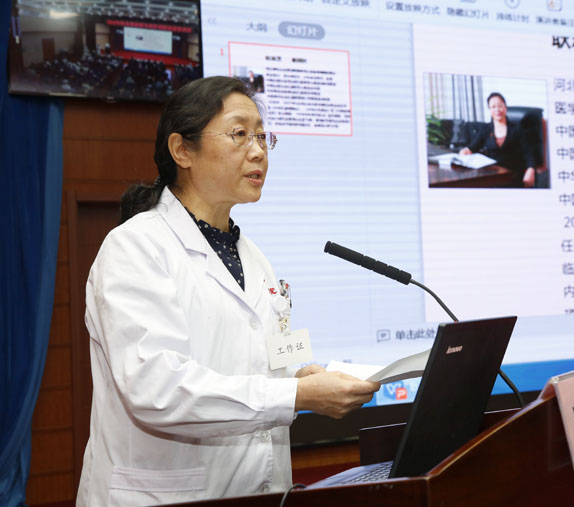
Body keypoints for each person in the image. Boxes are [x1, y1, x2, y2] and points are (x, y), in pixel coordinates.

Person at [76, 76, 380, 506]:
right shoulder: (135, 247)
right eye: (239, 134)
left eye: (262, 136)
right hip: (164, 496)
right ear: (182, 150)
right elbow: (156, 389)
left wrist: (297, 376)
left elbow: (264, 359)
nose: (258, 151)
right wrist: (295, 395)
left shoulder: (254, 258)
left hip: (259, 490)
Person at [459, 92, 536, 187]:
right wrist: (465, 151)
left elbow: (528, 154)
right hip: (492, 176)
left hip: (513, 175)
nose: (497, 110)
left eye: (500, 106)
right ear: (490, 110)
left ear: (505, 107)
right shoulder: (485, 129)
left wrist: (530, 170)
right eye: (493, 107)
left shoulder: (517, 129)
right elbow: (472, 148)